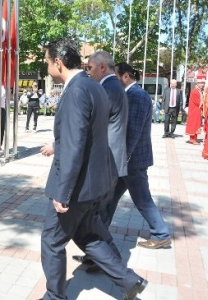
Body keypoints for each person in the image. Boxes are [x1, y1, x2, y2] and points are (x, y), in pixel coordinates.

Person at [40, 38, 147, 300]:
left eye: (46, 62)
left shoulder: (77, 90)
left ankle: (55, 296)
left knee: (52, 242)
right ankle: (128, 280)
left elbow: (76, 144)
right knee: (89, 236)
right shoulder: (94, 85)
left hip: (75, 187)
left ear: (58, 62)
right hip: (93, 183)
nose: (46, 68)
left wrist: (63, 192)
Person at [71, 50, 129, 271]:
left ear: (102, 67)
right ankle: (97, 256)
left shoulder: (108, 89)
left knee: (99, 215)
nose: (88, 72)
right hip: (110, 160)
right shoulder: (114, 87)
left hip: (108, 161)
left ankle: (109, 261)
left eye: (90, 68)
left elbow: (93, 126)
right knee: (97, 213)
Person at [110, 62, 172, 249]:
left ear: (125, 76)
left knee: (143, 200)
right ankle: (98, 235)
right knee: (109, 199)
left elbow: (133, 132)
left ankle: (161, 233)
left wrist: (122, 159)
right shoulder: (130, 94)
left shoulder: (136, 96)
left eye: (115, 77)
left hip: (132, 162)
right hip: (127, 161)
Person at [185, 75, 206, 145]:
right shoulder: (195, 91)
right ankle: (192, 139)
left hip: (196, 111)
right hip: (194, 111)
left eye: (203, 83)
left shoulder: (198, 91)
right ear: (198, 83)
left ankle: (194, 138)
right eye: (201, 83)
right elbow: (198, 102)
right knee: (194, 125)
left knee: (196, 125)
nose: (202, 85)